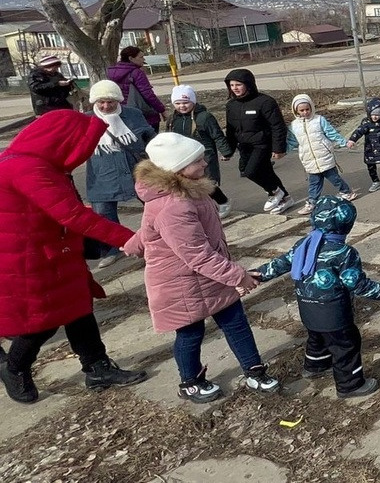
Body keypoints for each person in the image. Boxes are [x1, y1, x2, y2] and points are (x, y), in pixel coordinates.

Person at [0, 110, 148, 404]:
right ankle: (14, 368)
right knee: (42, 320)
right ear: (63, 141)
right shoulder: (28, 168)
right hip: (28, 259)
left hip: (55, 251)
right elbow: (72, 215)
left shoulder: (36, 162)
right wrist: (128, 239)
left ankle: (97, 367)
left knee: (79, 308)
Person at [125, 132, 279, 403]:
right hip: (181, 283)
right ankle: (190, 382)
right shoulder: (174, 205)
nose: (205, 163)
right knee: (190, 333)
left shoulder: (188, 190)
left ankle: (255, 371)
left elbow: (150, 229)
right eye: (197, 160)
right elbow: (197, 255)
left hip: (208, 277)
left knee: (236, 322)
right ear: (178, 168)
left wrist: (134, 244)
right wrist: (238, 276)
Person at [252, 196, 380, 398]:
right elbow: (354, 282)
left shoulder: (304, 244)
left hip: (306, 306)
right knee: (345, 345)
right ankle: (350, 385)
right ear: (346, 224)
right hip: (333, 311)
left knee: (317, 336)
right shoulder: (344, 252)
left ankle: (315, 365)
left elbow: (282, 263)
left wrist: (259, 274)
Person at [85, 80, 155, 267]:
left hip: (136, 170)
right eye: (101, 102)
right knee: (102, 214)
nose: (106, 106)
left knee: (155, 205)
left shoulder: (133, 114)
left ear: (118, 100)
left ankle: (159, 238)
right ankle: (111, 249)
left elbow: (149, 137)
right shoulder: (86, 119)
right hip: (101, 174)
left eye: (110, 101)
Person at [223, 68, 291, 214]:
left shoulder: (265, 102)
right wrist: (228, 150)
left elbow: (278, 126)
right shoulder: (231, 105)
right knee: (266, 172)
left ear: (248, 84)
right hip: (244, 145)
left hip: (262, 144)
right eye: (232, 85)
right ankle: (285, 197)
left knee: (250, 172)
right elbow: (231, 129)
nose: (235, 88)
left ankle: (274, 191)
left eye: (238, 84)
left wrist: (279, 148)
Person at [168, 85, 233, 218]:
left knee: (207, 181)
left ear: (193, 101)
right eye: (178, 103)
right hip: (183, 156)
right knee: (188, 182)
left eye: (186, 102)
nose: (182, 106)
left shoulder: (204, 117)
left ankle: (223, 201)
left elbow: (217, 135)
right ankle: (200, 206)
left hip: (204, 155)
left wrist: (226, 151)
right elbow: (169, 136)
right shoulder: (173, 119)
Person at [288, 93, 357, 215]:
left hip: (324, 156)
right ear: (296, 111)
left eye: (307, 109)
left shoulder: (319, 120)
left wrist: (344, 142)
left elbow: (331, 133)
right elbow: (292, 141)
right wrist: (281, 151)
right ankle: (312, 202)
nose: (305, 112)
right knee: (314, 183)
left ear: (311, 107)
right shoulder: (294, 126)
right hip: (309, 159)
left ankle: (347, 192)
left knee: (334, 178)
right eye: (302, 110)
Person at [107, 45, 166, 129]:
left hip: (122, 113)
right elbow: (148, 94)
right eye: (141, 57)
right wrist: (161, 109)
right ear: (131, 58)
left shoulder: (111, 73)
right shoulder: (136, 73)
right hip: (143, 114)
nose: (144, 59)